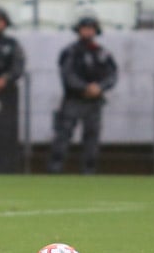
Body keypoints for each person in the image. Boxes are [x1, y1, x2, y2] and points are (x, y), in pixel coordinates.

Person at [47, 15, 118, 175]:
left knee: (92, 138)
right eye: (84, 28)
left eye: (91, 29)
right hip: (73, 100)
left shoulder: (102, 53)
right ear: (78, 31)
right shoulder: (70, 52)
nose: (87, 32)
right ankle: (55, 170)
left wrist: (99, 87)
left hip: (94, 102)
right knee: (63, 136)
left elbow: (112, 75)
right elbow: (67, 74)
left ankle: (89, 172)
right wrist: (85, 87)